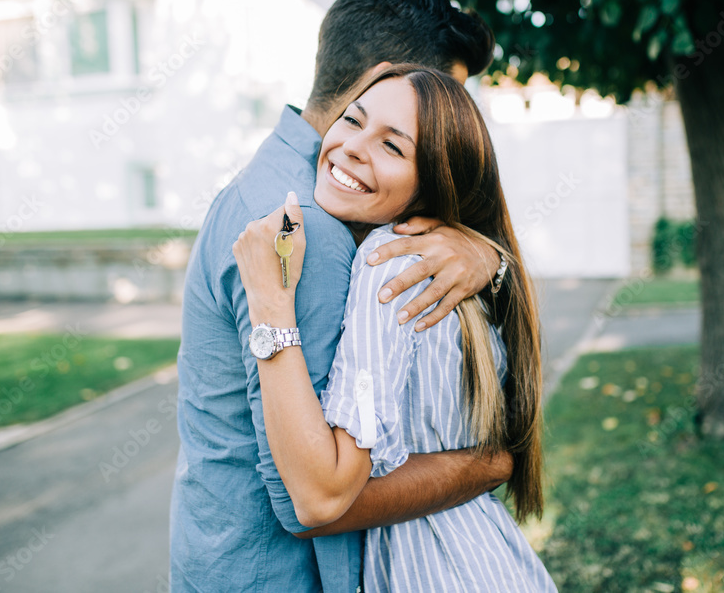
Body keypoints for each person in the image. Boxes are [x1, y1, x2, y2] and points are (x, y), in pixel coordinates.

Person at [171, 0, 511, 592]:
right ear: (386, 81)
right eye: (444, 96)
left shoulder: (263, 182)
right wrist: (483, 466)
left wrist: (485, 253)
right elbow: (317, 498)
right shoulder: (313, 233)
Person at [233, 65, 556, 591]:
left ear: (430, 187)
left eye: (392, 147)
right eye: (353, 120)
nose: (353, 147)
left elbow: (320, 496)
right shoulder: (457, 263)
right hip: (491, 558)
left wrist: (269, 302)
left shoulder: (387, 265)